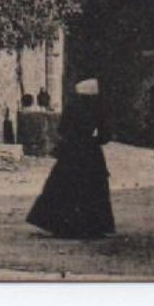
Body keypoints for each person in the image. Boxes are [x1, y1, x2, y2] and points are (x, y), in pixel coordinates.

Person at [25, 78, 115, 239]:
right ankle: (92, 226)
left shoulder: (72, 108)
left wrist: (73, 139)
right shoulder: (98, 110)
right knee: (93, 187)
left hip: (71, 152)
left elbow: (62, 129)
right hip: (90, 152)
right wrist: (93, 141)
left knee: (64, 185)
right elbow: (106, 134)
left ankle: (62, 225)